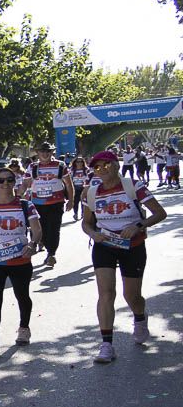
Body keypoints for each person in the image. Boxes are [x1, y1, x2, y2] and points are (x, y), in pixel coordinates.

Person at [80, 150, 167, 364]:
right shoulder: (92, 192)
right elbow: (86, 223)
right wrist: (93, 234)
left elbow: (160, 213)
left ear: (117, 165)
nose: (102, 169)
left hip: (132, 246)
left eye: (107, 164)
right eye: (97, 167)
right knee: (106, 293)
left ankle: (140, 318)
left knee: (132, 296)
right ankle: (106, 345)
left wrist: (138, 226)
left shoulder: (133, 186)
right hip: (104, 245)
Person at [0, 170, 41, 357]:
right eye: (1, 180)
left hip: (20, 260)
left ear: (15, 182)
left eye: (9, 180)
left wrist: (32, 244)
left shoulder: (26, 205)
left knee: (22, 295)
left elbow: (37, 230)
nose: (5, 184)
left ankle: (24, 328)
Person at [20, 141, 74, 268]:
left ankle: (51, 254)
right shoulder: (32, 167)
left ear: (52, 152)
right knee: (38, 229)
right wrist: (17, 196)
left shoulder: (60, 165)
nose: (45, 154)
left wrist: (71, 200)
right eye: (42, 151)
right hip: (37, 204)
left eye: (48, 151)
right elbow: (25, 184)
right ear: (38, 153)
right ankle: (41, 242)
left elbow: (68, 184)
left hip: (56, 203)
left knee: (54, 229)